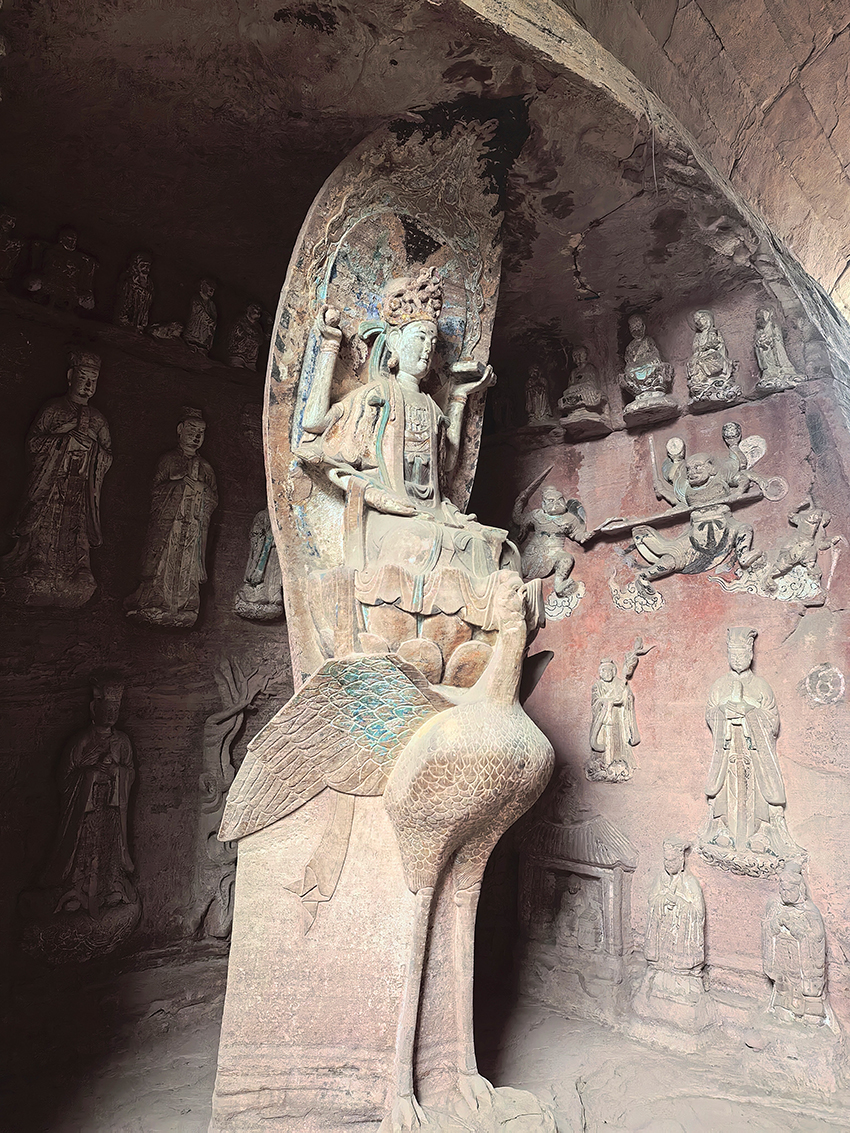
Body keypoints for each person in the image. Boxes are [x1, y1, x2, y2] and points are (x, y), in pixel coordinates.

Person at [299, 267, 521, 664]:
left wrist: (459, 397)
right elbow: (315, 423)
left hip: (431, 512)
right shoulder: (377, 396)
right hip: (388, 517)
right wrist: (330, 347)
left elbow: (446, 467)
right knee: (420, 541)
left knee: (487, 544)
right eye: (419, 338)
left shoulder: (432, 407)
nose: (426, 351)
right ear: (394, 343)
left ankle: (462, 641)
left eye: (433, 343)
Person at [2, 349, 112, 607]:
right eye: (83, 378)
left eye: (93, 380)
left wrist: (93, 450)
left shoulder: (98, 420)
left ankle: (79, 568)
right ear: (70, 376)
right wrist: (64, 441)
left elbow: (108, 456)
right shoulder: (53, 409)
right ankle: (37, 560)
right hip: (52, 482)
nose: (88, 385)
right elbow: (33, 445)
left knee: (78, 528)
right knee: (45, 520)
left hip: (81, 487)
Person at [700, 627, 802, 865]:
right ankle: (724, 830)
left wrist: (750, 714)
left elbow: (773, 722)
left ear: (751, 655)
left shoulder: (761, 686)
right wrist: (723, 713)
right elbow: (710, 714)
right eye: (733, 654)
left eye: (741, 654)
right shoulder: (719, 686)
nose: (737, 659)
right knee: (725, 791)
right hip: (727, 752)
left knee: (758, 792)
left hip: (754, 753)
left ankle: (761, 834)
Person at [41, 678, 136, 917]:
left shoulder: (122, 741)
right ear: (94, 708)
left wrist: (116, 772)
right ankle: (76, 890)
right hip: (86, 810)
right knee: (83, 849)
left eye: (116, 709)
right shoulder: (82, 740)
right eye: (108, 708)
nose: (112, 713)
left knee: (109, 849)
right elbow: (64, 777)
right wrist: (91, 774)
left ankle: (109, 887)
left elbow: (130, 771)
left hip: (111, 809)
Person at [125, 407, 218, 627]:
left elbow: (213, 499)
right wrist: (178, 485)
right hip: (170, 526)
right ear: (180, 429)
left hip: (193, 526)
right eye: (192, 430)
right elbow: (155, 492)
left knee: (189, 567)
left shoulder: (206, 468)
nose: (196, 436)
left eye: (201, 432)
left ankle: (186, 606)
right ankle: (153, 603)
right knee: (162, 564)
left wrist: (202, 490)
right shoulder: (168, 460)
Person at [762, 861, 826, 1022]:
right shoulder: (775, 906)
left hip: (802, 961)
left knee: (804, 987)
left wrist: (795, 928)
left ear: (799, 889)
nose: (785, 894)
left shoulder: (809, 911)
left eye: (790, 890)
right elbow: (767, 927)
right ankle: (783, 1008)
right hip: (782, 958)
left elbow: (817, 936)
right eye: (783, 890)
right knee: (783, 983)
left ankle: (811, 1013)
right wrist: (776, 923)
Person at [512, 471, 589, 597]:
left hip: (555, 552)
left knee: (567, 559)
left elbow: (577, 534)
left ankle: (559, 584)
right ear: (544, 504)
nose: (556, 504)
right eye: (551, 501)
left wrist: (584, 536)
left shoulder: (569, 518)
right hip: (533, 551)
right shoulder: (537, 515)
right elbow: (518, 519)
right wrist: (520, 501)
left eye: (559, 500)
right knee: (515, 560)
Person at [644, 837, 704, 973]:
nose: (668, 864)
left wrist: (679, 902)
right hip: (663, 931)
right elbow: (652, 900)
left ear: (681, 860)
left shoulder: (690, 882)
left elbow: (698, 912)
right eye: (666, 860)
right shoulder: (660, 879)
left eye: (672, 861)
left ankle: (683, 965)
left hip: (680, 935)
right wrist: (663, 900)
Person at [754, 308, 803, 393]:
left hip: (775, 351)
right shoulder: (759, 331)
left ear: (767, 316)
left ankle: (784, 372)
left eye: (761, 318)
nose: (759, 321)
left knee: (780, 359)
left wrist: (770, 341)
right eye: (757, 318)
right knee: (768, 365)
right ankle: (770, 375)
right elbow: (757, 343)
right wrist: (759, 343)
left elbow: (777, 339)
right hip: (766, 352)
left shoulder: (773, 326)